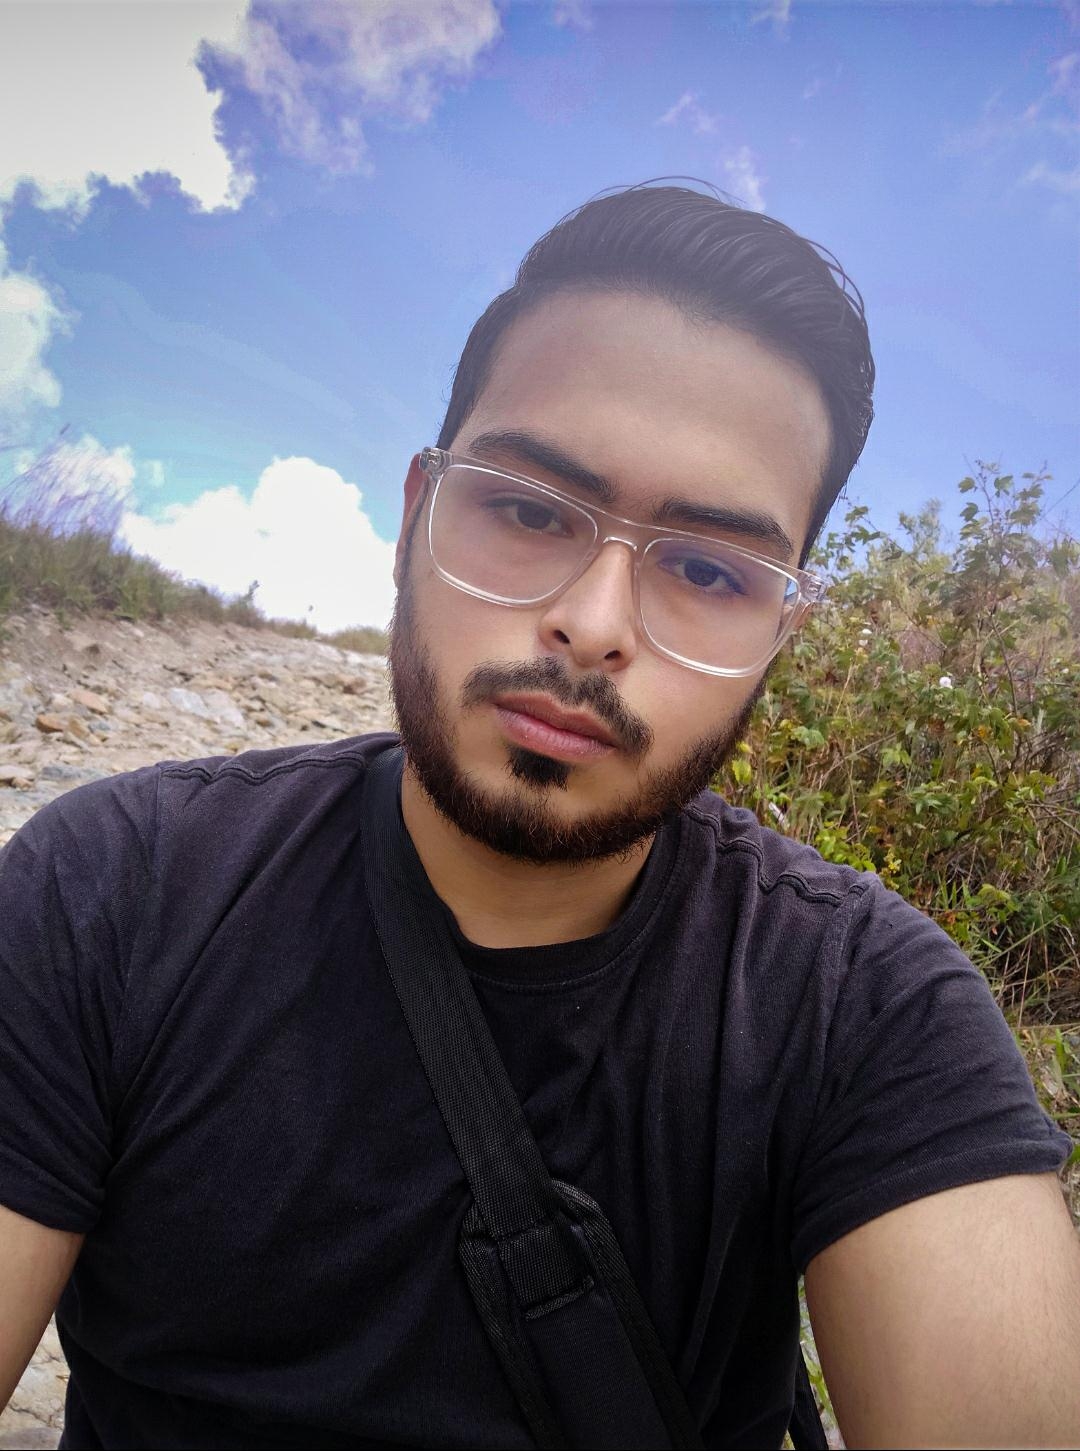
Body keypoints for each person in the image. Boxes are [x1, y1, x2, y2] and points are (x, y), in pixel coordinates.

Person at [1, 183, 1078, 1451]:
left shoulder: (863, 1004)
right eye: (527, 508)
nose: (594, 623)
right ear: (416, 513)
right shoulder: (113, 892)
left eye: (709, 568)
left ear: (780, 633)